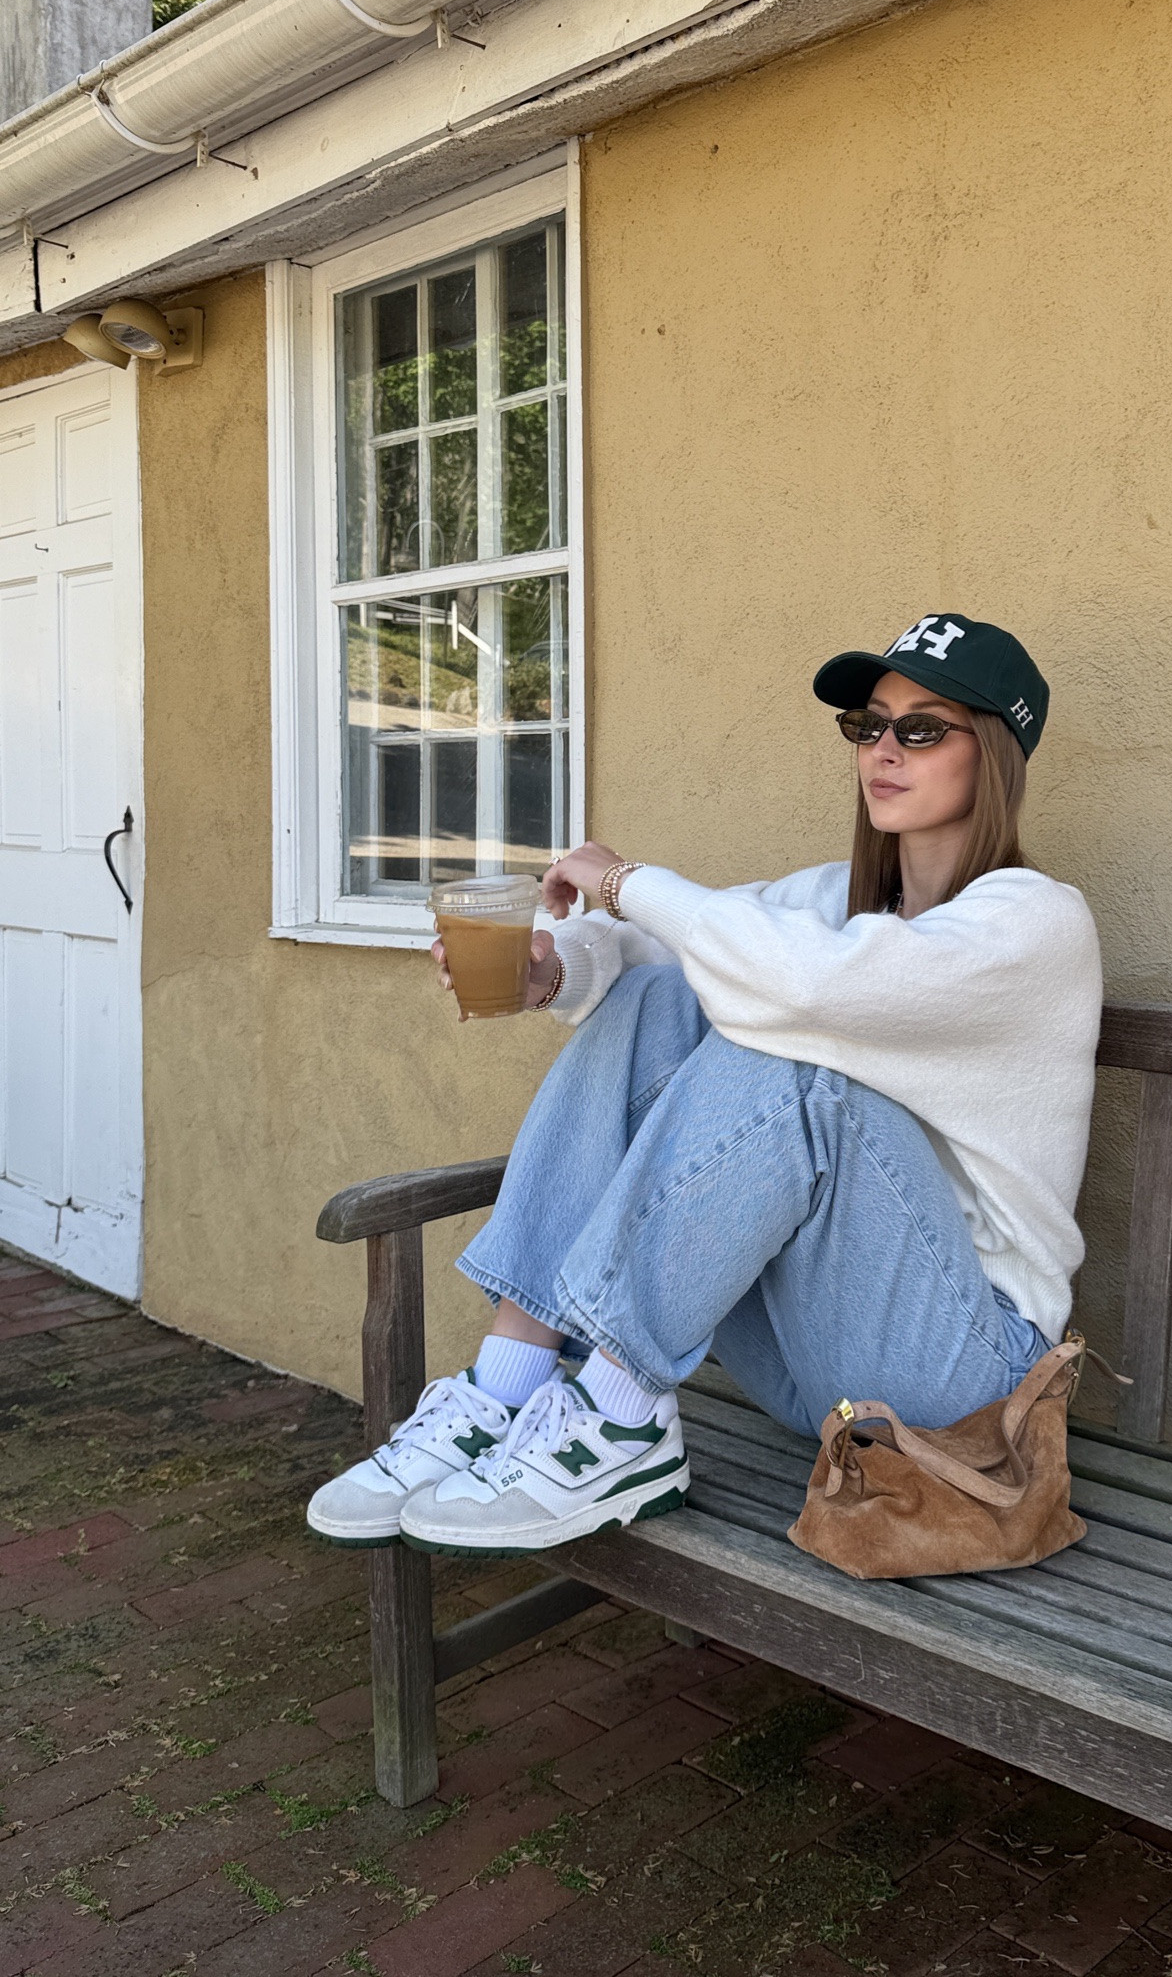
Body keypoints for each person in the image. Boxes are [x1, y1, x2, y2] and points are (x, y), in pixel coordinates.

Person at [307, 618, 1102, 1558]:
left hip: (964, 1376)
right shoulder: (838, 899)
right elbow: (680, 954)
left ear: (995, 752)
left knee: (799, 1062)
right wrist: (552, 973)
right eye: (867, 725)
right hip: (815, 1369)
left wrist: (624, 880)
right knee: (661, 998)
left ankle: (619, 1416)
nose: (882, 751)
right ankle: (507, 1383)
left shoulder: (1035, 921)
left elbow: (804, 987)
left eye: (921, 729)